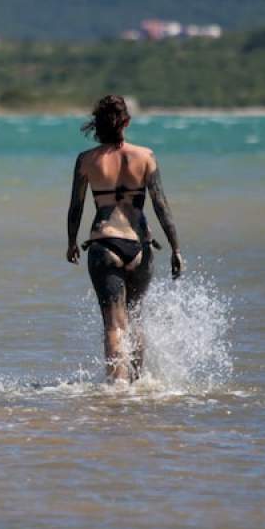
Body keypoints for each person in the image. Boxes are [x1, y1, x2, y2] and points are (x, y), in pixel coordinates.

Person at [66, 95, 183, 383]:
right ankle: (137, 384)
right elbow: (161, 206)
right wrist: (176, 248)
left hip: (104, 244)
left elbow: (76, 207)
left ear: (98, 125)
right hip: (140, 247)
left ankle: (116, 388)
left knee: (113, 325)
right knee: (136, 320)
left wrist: (71, 242)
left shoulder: (87, 160)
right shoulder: (145, 157)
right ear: (126, 122)